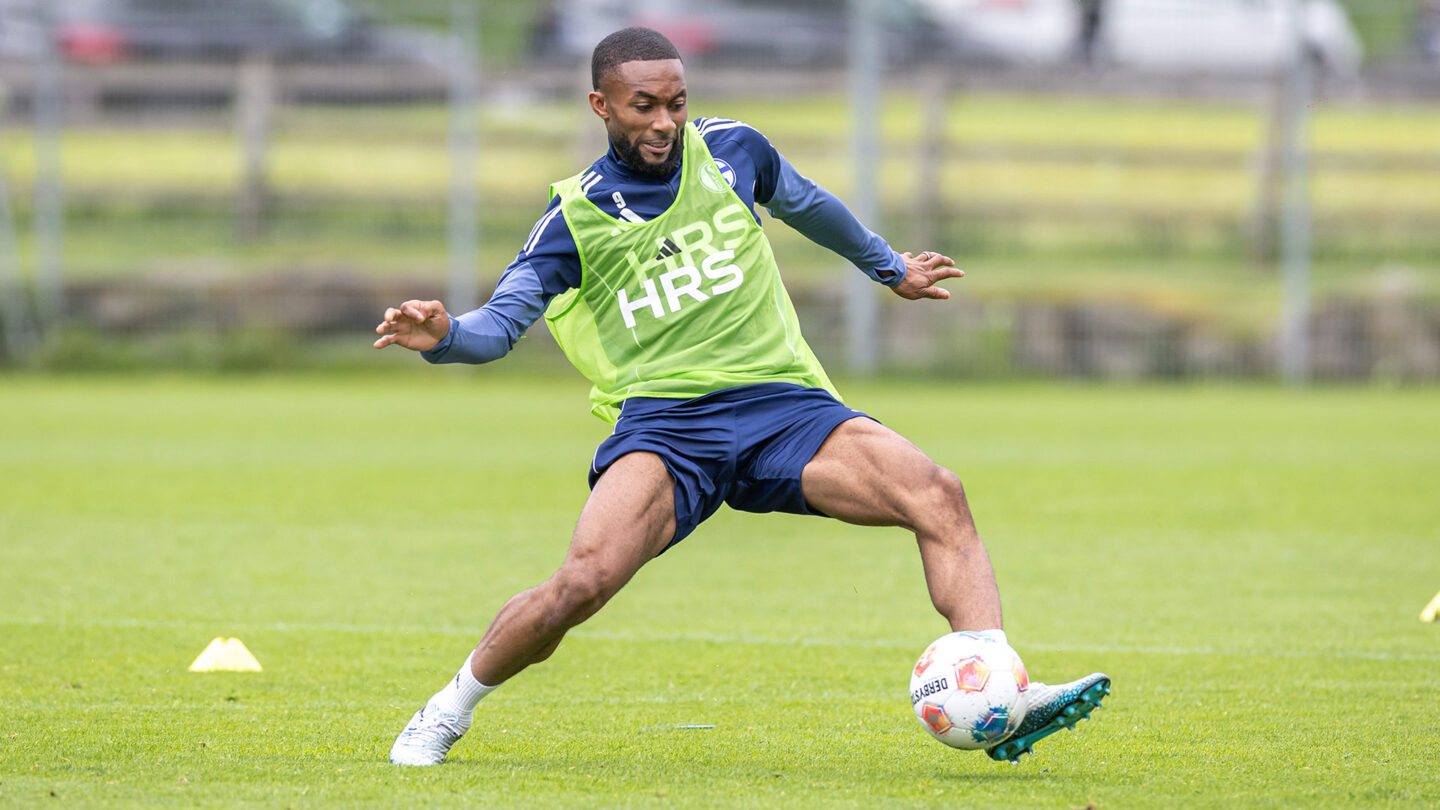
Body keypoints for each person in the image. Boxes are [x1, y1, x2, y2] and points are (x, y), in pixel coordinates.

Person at [375, 26, 1108, 767]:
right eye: (644, 106)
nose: (665, 122)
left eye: (676, 103)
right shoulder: (574, 220)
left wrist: (890, 267)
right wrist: (445, 335)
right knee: (581, 586)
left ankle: (1000, 686)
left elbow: (808, 204)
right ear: (601, 106)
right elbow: (499, 327)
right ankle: (445, 711)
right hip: (667, 428)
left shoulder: (732, 151)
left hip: (782, 407)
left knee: (937, 493)